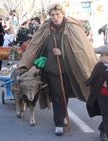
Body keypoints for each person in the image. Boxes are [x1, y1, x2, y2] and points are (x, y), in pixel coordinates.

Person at [18, 3, 97, 135]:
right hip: (52, 70)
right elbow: (39, 50)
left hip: (68, 69)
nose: (55, 17)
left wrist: (62, 52)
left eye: (58, 14)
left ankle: (63, 115)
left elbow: (80, 50)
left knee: (64, 94)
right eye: (53, 15)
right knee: (57, 95)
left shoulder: (72, 28)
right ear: (49, 16)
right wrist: (35, 66)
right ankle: (59, 123)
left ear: (63, 14)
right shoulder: (45, 30)